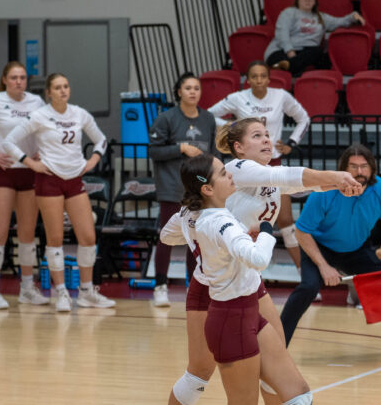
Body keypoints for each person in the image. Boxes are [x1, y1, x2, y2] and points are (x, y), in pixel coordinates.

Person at [164, 117, 361, 405]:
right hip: (213, 287)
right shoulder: (235, 169)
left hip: (248, 282)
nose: (267, 139)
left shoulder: (265, 175)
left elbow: (293, 183)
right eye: (257, 136)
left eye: (268, 134)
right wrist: (203, 229)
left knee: (275, 367)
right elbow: (169, 235)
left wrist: (335, 184)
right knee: (199, 374)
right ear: (239, 147)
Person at [162, 153, 313, 405]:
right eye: (223, 173)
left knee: (299, 393)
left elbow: (167, 235)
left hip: (248, 307)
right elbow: (257, 259)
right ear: (207, 188)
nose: (230, 174)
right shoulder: (221, 222)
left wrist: (206, 241)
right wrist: (266, 230)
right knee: (223, 388)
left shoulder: (198, 214)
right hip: (229, 315)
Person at [280, 144, 381, 357]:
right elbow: (301, 232)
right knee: (308, 288)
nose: (359, 172)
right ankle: (278, 346)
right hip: (321, 249)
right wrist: (324, 266)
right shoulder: (324, 192)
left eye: (364, 166)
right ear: (343, 169)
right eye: (353, 166)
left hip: (356, 249)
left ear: (372, 168)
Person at [4, 73, 115, 312]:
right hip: (49, 180)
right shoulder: (40, 116)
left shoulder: (79, 113)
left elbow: (101, 140)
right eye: (57, 87)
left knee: (88, 237)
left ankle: (86, 292)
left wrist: (93, 160)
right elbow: (9, 142)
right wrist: (30, 163)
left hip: (75, 180)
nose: (63, 90)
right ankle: (62, 292)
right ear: (48, 93)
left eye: (66, 86)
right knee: (54, 239)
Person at [208, 61, 310, 273]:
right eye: (254, 76)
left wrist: (291, 143)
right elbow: (209, 115)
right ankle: (241, 272)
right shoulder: (238, 98)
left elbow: (304, 119)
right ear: (248, 80)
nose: (259, 80)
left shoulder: (281, 95)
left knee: (285, 221)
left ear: (269, 78)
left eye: (263, 75)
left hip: (272, 163)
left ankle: (303, 274)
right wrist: (232, 128)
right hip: (247, 167)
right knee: (244, 221)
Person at [0, 62, 47, 309]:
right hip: (3, 173)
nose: (19, 81)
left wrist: (42, 152)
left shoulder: (36, 102)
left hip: (29, 172)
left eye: (23, 77)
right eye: (14, 77)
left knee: (27, 233)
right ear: (5, 80)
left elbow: (46, 130)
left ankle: (27, 287)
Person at [149, 72, 218, 307]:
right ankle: (160, 286)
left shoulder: (208, 119)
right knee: (166, 237)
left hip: (198, 188)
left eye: (196, 88)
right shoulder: (166, 118)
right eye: (188, 88)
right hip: (171, 186)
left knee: (197, 238)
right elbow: (155, 151)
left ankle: (194, 285)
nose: (192, 92)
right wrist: (181, 148)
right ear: (179, 91)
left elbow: (213, 155)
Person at [264, 0, 365, 76]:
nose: (307, 0)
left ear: (315, 1)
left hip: (306, 52)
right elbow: (282, 34)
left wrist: (353, 16)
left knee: (318, 52)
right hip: (282, 50)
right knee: (279, 58)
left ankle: (286, 67)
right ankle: (289, 66)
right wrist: (290, 52)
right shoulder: (289, 12)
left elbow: (339, 21)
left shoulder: (321, 17)